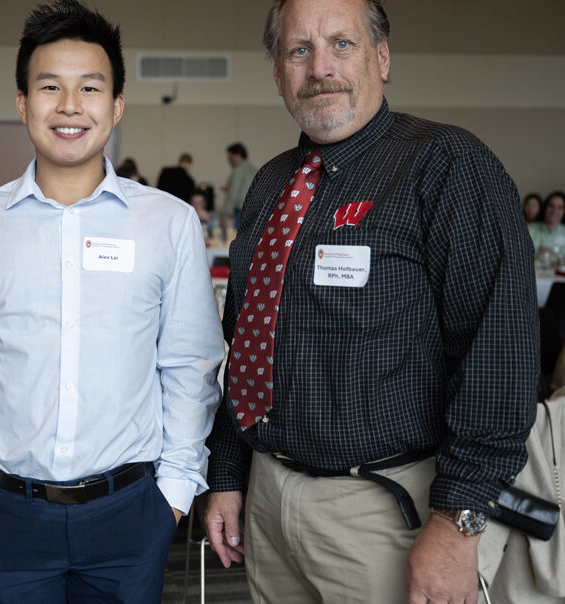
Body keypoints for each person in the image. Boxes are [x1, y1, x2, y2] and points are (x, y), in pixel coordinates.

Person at [203, 1, 540, 603]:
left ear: (381, 59)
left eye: (342, 45)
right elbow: (247, 344)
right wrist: (229, 474)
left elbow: (500, 358)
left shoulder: (446, 166)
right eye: (298, 50)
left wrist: (459, 522)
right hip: (268, 500)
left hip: (389, 513)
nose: (319, 68)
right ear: (278, 73)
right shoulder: (272, 183)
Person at [0, 1, 224, 601]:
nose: (70, 106)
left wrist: (173, 495)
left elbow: (190, 366)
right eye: (50, 87)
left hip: (130, 515)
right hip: (5, 515)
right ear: (22, 102)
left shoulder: (167, 223)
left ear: (115, 106)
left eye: (90, 87)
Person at [220, 142, 257, 229]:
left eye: (230, 158)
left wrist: (225, 215)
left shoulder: (237, 171)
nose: (229, 162)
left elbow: (232, 195)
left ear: (237, 156)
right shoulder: (256, 170)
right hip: (255, 212)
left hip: (241, 212)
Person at [527, 191, 565, 260]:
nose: (555, 210)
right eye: (551, 206)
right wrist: (537, 252)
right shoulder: (529, 228)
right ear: (545, 207)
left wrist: (552, 252)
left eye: (560, 207)